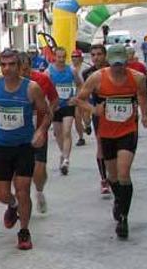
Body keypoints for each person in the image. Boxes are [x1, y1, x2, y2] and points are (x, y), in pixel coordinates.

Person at [76, 45, 147, 239]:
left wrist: (145, 116)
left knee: (124, 172)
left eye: (121, 64)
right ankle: (119, 200)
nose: (118, 68)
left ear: (126, 62)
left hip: (128, 130)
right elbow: (80, 99)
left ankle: (123, 218)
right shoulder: (98, 78)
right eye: (115, 64)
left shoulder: (137, 78)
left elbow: (143, 97)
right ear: (109, 61)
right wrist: (94, 110)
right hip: (107, 132)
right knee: (113, 175)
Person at [0, 49, 51, 250]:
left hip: (24, 147)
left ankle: (24, 231)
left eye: (12, 64)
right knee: (2, 194)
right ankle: (12, 206)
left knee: (22, 190)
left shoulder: (32, 88)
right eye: (4, 65)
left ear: (20, 67)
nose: (7, 68)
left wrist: (41, 131)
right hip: (2, 147)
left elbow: (47, 113)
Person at [18, 53, 58, 214]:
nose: (23, 74)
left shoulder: (42, 79)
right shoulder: (10, 83)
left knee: (38, 170)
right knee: (21, 174)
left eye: (26, 70)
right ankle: (22, 203)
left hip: (39, 130)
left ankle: (40, 192)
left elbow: (54, 99)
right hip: (18, 133)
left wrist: (50, 113)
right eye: (20, 71)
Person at [46, 47, 84, 176]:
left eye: (63, 57)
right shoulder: (49, 71)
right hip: (56, 106)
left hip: (68, 104)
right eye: (59, 57)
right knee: (58, 134)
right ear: (54, 57)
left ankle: (66, 160)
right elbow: (44, 88)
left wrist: (76, 97)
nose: (61, 59)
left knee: (67, 131)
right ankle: (63, 154)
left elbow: (80, 84)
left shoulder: (71, 70)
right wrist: (49, 103)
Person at [84, 44, 112, 197]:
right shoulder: (87, 73)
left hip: (116, 114)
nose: (96, 57)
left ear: (105, 55)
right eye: (93, 54)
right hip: (99, 113)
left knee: (114, 146)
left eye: (99, 54)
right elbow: (83, 96)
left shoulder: (114, 68)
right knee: (101, 144)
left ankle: (114, 173)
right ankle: (104, 179)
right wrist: (89, 112)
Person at [71, 49, 91, 146]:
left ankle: (87, 124)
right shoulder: (69, 69)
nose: (74, 59)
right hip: (75, 96)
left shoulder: (86, 68)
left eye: (76, 57)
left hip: (86, 95)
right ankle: (81, 138)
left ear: (81, 58)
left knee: (86, 116)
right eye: (73, 57)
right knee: (77, 116)